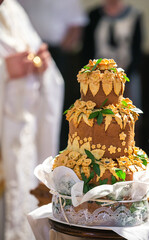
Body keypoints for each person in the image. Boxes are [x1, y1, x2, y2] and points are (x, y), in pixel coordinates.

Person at [0, 0, 64, 239]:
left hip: (20, 137)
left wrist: (44, 66)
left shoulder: (12, 10)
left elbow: (52, 79)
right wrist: (5, 71)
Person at [17, 0, 88, 150]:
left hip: (58, 52)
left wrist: (61, 50)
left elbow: (76, 26)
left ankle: (61, 147)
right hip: (28, 53)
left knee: (59, 100)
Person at [82, 0, 143, 107]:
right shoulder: (94, 15)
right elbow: (87, 48)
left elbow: (137, 50)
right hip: (97, 77)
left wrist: (124, 77)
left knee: (127, 113)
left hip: (128, 76)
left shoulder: (135, 15)